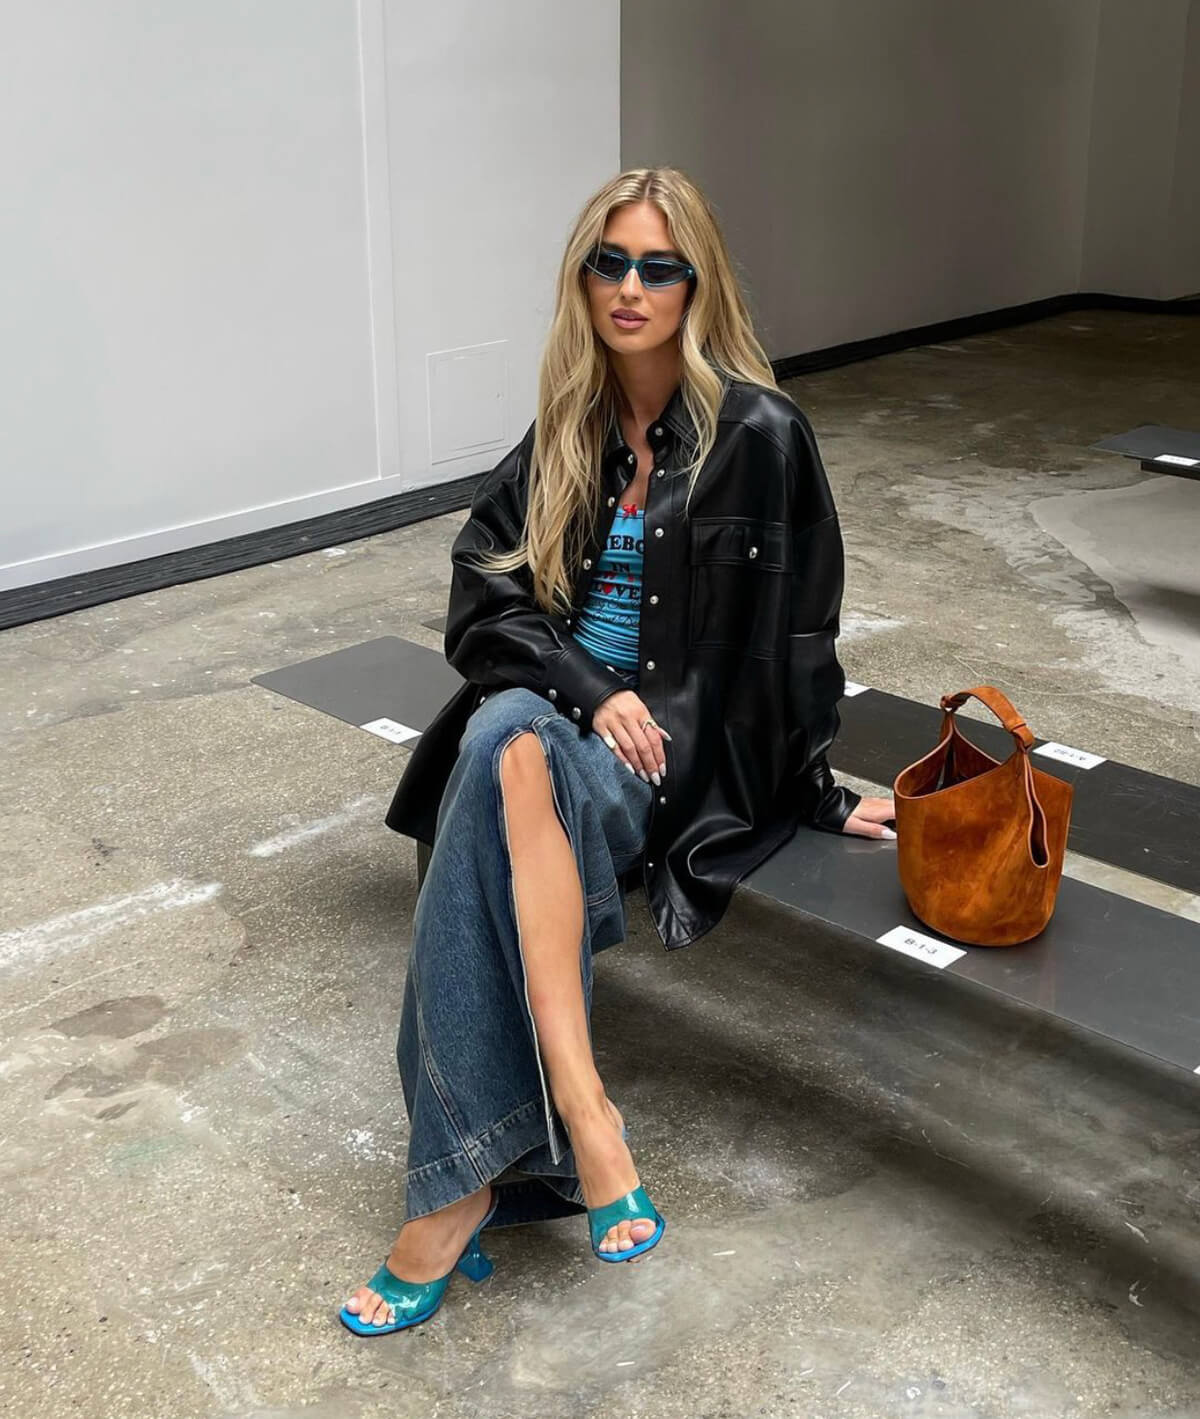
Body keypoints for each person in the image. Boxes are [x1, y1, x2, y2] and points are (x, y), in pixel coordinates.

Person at [340, 167, 895, 1334]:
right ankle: (586, 1119)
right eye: (610, 263)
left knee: (499, 756)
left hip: (671, 761)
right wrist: (590, 692)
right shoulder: (569, 427)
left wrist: (813, 790)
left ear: (698, 285)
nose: (630, 288)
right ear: (582, 279)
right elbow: (479, 597)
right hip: (566, 725)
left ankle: (468, 1187)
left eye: (658, 267)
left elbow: (803, 635)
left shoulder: (762, 435)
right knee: (510, 742)